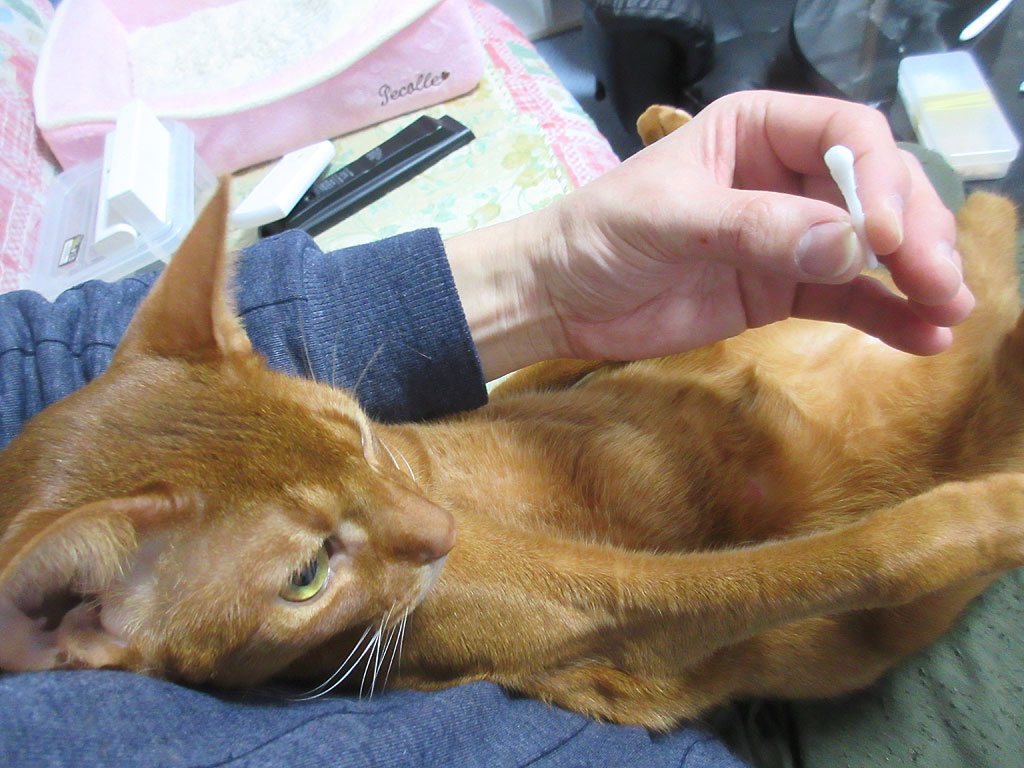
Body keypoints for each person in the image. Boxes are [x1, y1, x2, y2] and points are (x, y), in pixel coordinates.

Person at [0, 92, 974, 767]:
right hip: (720, 680)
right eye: (307, 571)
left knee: (904, 209)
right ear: (65, 617)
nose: (434, 531)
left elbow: (45, 360)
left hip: (691, 420)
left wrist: (546, 271)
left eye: (357, 433)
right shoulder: (81, 603)